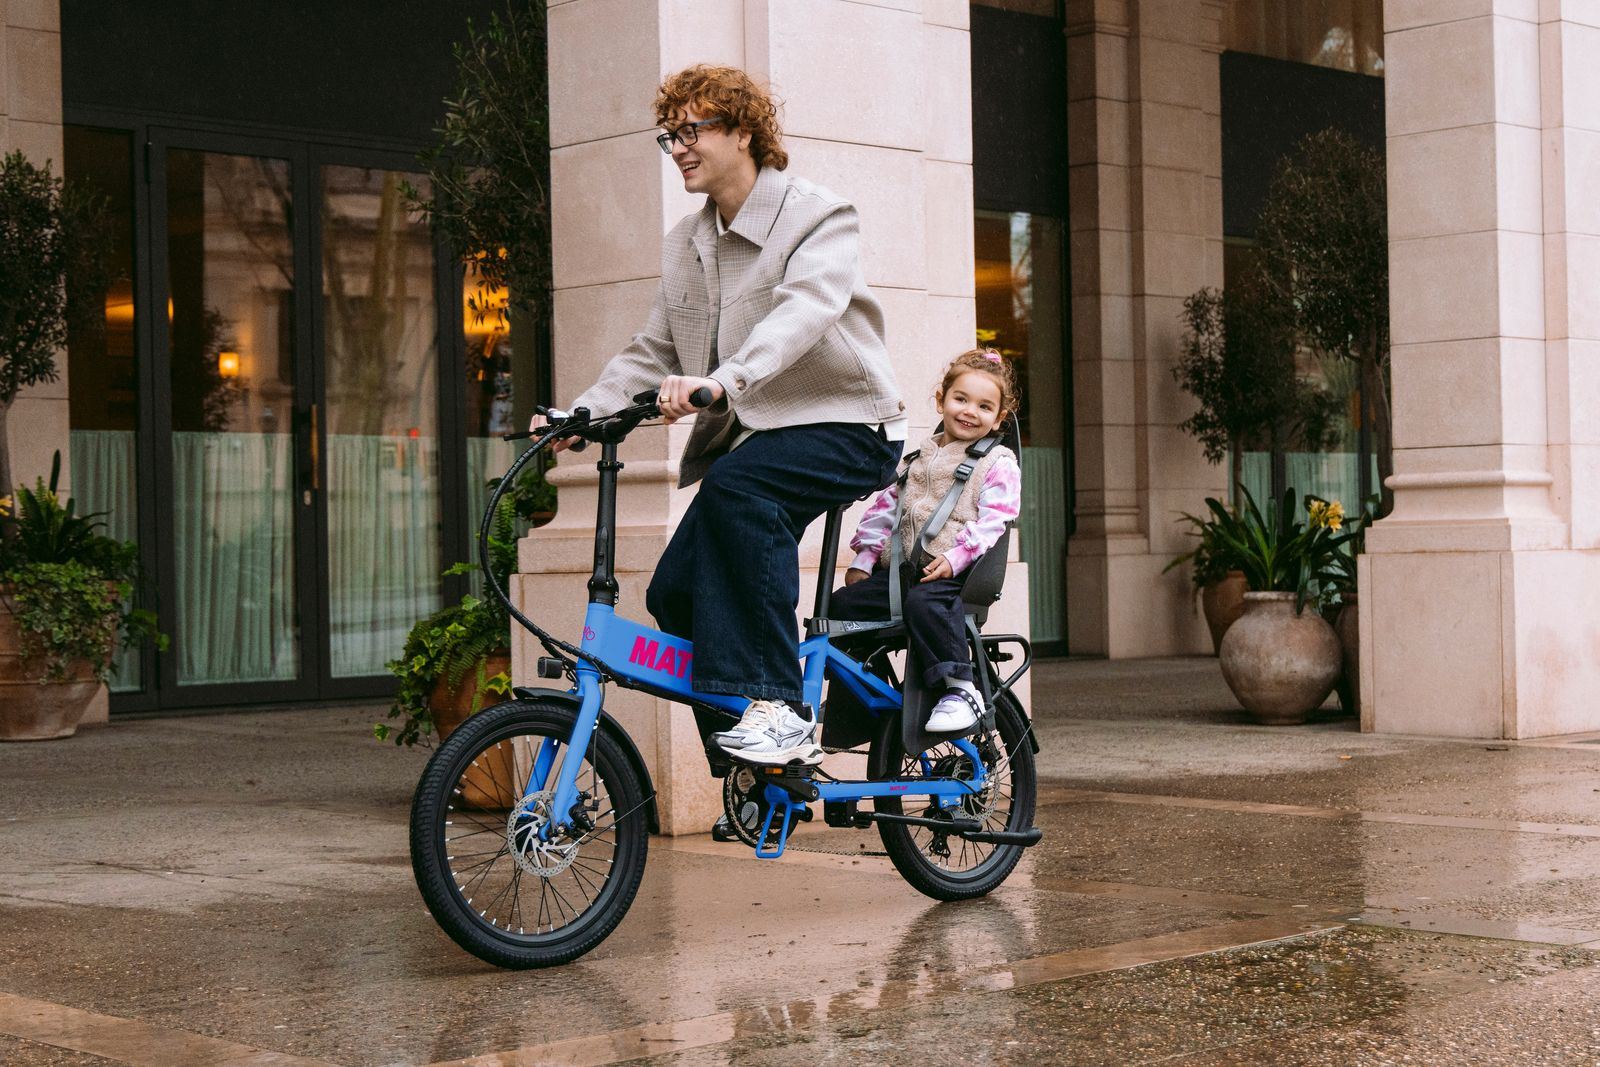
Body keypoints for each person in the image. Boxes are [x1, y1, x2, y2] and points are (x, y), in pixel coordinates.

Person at [536, 65, 906, 767]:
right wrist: (582, 414)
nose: (678, 146)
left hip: (851, 423)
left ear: (743, 132)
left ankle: (780, 708)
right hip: (766, 434)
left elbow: (804, 313)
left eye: (693, 130)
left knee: (740, 488)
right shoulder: (688, 241)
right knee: (677, 591)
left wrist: (722, 381)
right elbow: (654, 347)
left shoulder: (817, 214)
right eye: (668, 135)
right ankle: (754, 765)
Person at [825, 349, 1022, 733]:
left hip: (953, 575)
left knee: (925, 602)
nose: (969, 411)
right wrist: (864, 560)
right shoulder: (917, 458)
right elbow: (885, 510)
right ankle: (866, 698)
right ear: (941, 400)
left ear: (998, 418)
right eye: (960, 399)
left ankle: (961, 689)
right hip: (902, 573)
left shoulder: (997, 463)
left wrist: (957, 557)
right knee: (840, 607)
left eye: (984, 406)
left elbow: (994, 522)